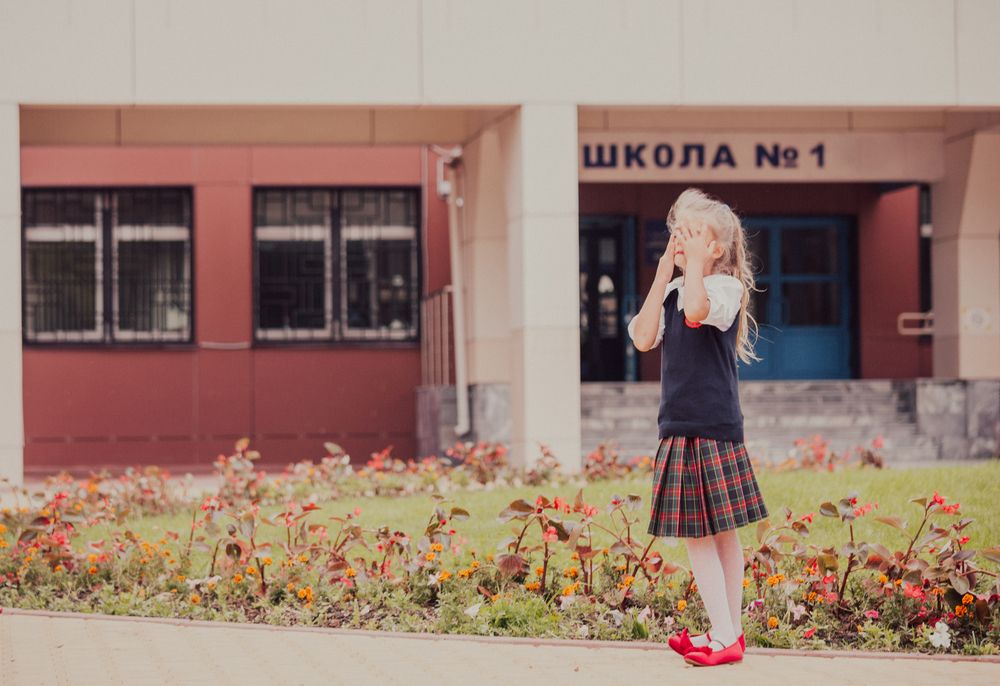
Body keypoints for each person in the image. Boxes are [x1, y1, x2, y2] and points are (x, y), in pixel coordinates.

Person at [627, 188, 769, 667]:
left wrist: (692, 270)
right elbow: (643, 337)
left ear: (716, 249)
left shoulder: (725, 289)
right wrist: (663, 272)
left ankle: (726, 634)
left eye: (691, 234)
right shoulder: (673, 291)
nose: (680, 240)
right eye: (677, 233)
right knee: (708, 533)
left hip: (712, 425)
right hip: (678, 425)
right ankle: (727, 634)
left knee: (712, 534)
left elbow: (696, 311)